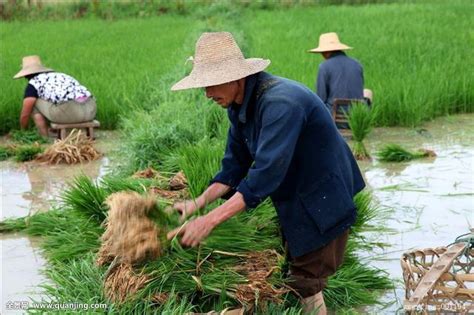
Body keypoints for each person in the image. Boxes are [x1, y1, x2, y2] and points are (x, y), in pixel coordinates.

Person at [167, 32, 365, 314]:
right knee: (301, 277)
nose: (207, 94)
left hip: (323, 196)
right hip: (296, 192)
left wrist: (208, 221)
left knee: (305, 281)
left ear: (237, 77)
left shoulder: (280, 104)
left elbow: (264, 176)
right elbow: (233, 169)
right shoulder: (238, 107)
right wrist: (196, 204)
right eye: (203, 87)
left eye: (211, 84)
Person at [13, 55, 96, 137]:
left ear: (26, 75)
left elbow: (25, 113)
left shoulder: (34, 83)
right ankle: (53, 130)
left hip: (70, 113)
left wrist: (22, 130)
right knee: (54, 99)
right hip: (90, 110)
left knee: (33, 103)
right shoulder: (62, 75)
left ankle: (44, 136)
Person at [308, 32, 373, 111]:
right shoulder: (357, 64)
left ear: (326, 52)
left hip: (334, 113)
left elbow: (321, 98)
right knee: (367, 92)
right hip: (356, 114)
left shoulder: (324, 66)